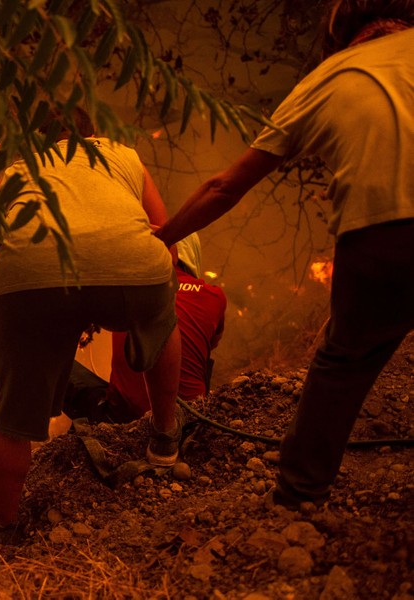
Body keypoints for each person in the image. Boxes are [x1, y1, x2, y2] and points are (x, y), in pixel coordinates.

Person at [155, 0, 414, 509]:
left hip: (385, 233)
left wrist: (164, 236)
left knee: (344, 363)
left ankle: (299, 497)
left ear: (341, 33)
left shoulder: (329, 76)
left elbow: (225, 188)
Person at [0, 112, 183, 541]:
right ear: (92, 134)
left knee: (10, 418)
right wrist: (151, 293)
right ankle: (164, 437)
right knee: (161, 318)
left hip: (28, 284)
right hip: (134, 269)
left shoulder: (13, 172)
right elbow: (166, 233)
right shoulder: (123, 155)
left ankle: (5, 526)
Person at [107, 233, 227, 418]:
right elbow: (212, 343)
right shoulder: (213, 296)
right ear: (194, 254)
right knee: (203, 356)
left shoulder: (124, 287)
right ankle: (199, 410)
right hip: (189, 417)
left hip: (124, 415)